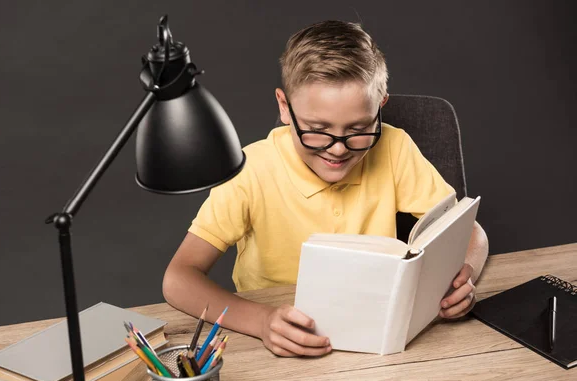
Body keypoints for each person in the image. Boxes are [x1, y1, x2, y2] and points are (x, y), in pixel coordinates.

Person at [162, 20, 489, 357]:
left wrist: (464, 277)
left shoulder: (394, 147)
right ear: (284, 108)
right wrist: (260, 321)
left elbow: (472, 232)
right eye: (317, 129)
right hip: (280, 344)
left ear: (380, 107)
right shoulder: (251, 170)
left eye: (359, 129)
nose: (338, 149)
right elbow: (178, 278)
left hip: (378, 338)